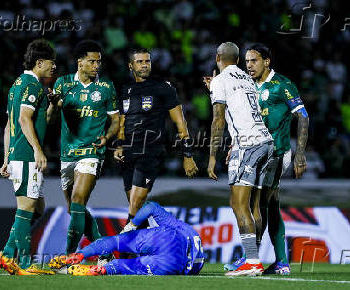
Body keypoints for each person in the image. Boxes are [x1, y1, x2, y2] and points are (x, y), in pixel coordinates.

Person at [224, 44, 308, 275]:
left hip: (278, 152)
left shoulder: (282, 84)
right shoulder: (248, 85)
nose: (249, 65)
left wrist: (300, 153)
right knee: (267, 204)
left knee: (260, 204)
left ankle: (255, 259)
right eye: (247, 61)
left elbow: (302, 116)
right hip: (255, 151)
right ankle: (273, 260)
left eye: (254, 61)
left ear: (267, 61)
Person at [204, 42, 273, 276]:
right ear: (237, 59)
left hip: (249, 144)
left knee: (238, 203)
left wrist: (212, 156)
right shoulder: (247, 79)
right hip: (266, 142)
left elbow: (218, 120)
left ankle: (252, 261)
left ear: (217, 58)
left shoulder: (221, 81)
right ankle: (252, 257)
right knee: (254, 205)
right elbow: (243, 110)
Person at [48, 40, 120, 261]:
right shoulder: (63, 83)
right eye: (92, 61)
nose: (97, 65)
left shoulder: (106, 87)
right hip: (68, 154)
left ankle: (68, 257)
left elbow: (116, 121)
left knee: (79, 201)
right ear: (80, 62)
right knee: (73, 209)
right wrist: (53, 103)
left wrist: (107, 137)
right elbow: (49, 118)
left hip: (91, 153)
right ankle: (104, 251)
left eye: (99, 61)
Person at [114, 48, 198, 227]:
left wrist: (188, 155)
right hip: (128, 154)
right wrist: (119, 145)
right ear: (131, 66)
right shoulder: (125, 90)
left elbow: (181, 124)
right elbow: (122, 124)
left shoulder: (163, 87)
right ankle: (155, 245)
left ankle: (119, 251)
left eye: (147, 61)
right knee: (136, 209)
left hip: (150, 152)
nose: (144, 65)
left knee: (135, 207)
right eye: (140, 62)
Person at [0, 39, 57, 275]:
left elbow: (8, 125)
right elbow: (23, 119)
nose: (54, 67)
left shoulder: (17, 84)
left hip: (16, 154)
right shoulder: (32, 85)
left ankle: (7, 254)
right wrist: (38, 150)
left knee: (38, 207)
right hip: (25, 155)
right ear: (39, 62)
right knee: (27, 207)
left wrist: (5, 158)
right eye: (52, 63)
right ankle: (23, 263)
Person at [49, 201, 205, 276]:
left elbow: (150, 207)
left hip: (166, 238)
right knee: (125, 266)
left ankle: (79, 255)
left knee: (114, 241)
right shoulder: (196, 253)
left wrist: (132, 225)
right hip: (173, 264)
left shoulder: (182, 227)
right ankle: (99, 269)